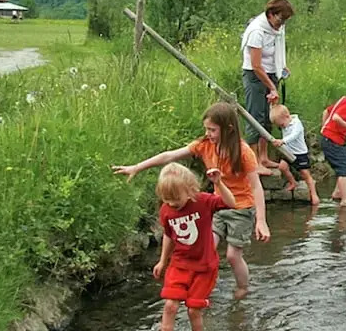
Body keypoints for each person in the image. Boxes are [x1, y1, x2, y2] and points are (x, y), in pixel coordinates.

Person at [112, 102, 271, 300]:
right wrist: (137, 167)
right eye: (206, 129)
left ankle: (243, 287)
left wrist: (261, 221)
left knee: (232, 255)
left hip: (241, 208)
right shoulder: (204, 145)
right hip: (217, 206)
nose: (208, 133)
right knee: (206, 248)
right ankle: (201, 288)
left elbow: (256, 186)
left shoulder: (243, 151)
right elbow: (170, 156)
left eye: (212, 130)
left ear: (228, 129)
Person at [149, 162, 236, 331]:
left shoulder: (203, 201)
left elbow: (231, 203)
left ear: (190, 190)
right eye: (166, 199)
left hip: (204, 267)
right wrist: (163, 261)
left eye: (176, 198)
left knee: (193, 309)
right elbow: (169, 236)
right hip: (179, 264)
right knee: (170, 305)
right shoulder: (166, 210)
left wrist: (219, 183)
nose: (172, 204)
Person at [241, 0, 294, 173]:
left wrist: (282, 68)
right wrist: (271, 87)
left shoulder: (278, 28)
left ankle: (264, 157)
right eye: (280, 19)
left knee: (268, 116)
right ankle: (254, 162)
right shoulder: (257, 31)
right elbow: (256, 65)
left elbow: (276, 51)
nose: (282, 24)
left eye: (285, 20)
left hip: (271, 73)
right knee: (255, 116)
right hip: (255, 76)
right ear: (270, 14)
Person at [269, 103, 320, 206]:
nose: (281, 127)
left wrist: (282, 141)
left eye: (282, 125)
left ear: (287, 116)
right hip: (288, 152)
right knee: (282, 167)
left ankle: (314, 194)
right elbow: (275, 111)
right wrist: (272, 104)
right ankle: (293, 182)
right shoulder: (284, 120)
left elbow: (294, 136)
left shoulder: (297, 124)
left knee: (305, 174)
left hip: (300, 153)